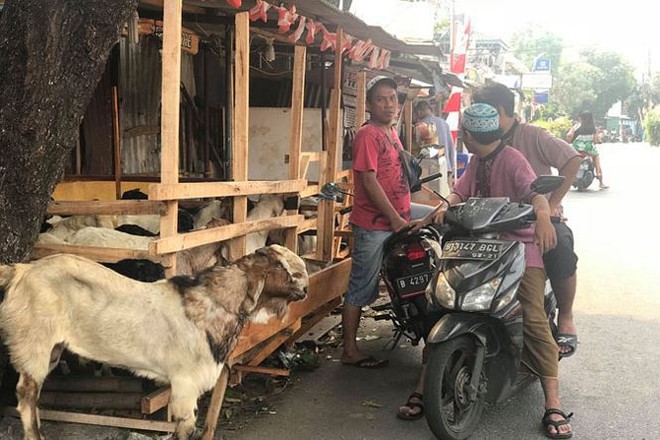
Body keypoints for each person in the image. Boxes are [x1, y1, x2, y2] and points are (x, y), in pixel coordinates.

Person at [399, 103, 573, 439]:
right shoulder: (477, 160)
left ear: (466, 135)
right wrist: (441, 208)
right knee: (439, 304)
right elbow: (459, 191)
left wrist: (542, 216)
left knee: (533, 316)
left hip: (519, 246)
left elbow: (535, 193)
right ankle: (425, 383)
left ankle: (552, 402)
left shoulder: (512, 159)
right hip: (476, 244)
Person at [472, 83, 581, 358]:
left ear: (497, 111)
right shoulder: (481, 143)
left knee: (561, 246)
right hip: (491, 223)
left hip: (535, 219)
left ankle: (566, 316)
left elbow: (572, 159)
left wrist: (552, 205)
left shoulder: (533, 135)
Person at [340, 76, 434, 369]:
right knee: (361, 285)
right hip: (375, 224)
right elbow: (368, 179)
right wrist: (394, 219)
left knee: (440, 222)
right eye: (381, 99)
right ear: (369, 105)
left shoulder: (391, 131)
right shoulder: (368, 134)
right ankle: (350, 350)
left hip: (402, 215)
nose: (388, 104)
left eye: (392, 98)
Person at [414, 100, 456, 189]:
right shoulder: (444, 123)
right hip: (446, 166)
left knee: (435, 198)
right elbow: (451, 146)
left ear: (420, 111)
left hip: (431, 170)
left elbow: (418, 149)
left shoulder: (421, 126)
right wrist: (451, 167)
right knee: (447, 196)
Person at [566, 110, 609, 190]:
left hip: (576, 149)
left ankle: (566, 181)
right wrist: (599, 141)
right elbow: (596, 140)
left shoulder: (576, 126)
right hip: (589, 150)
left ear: (581, 118)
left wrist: (570, 140)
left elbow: (569, 135)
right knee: (597, 161)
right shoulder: (593, 128)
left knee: (568, 163)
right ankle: (600, 182)